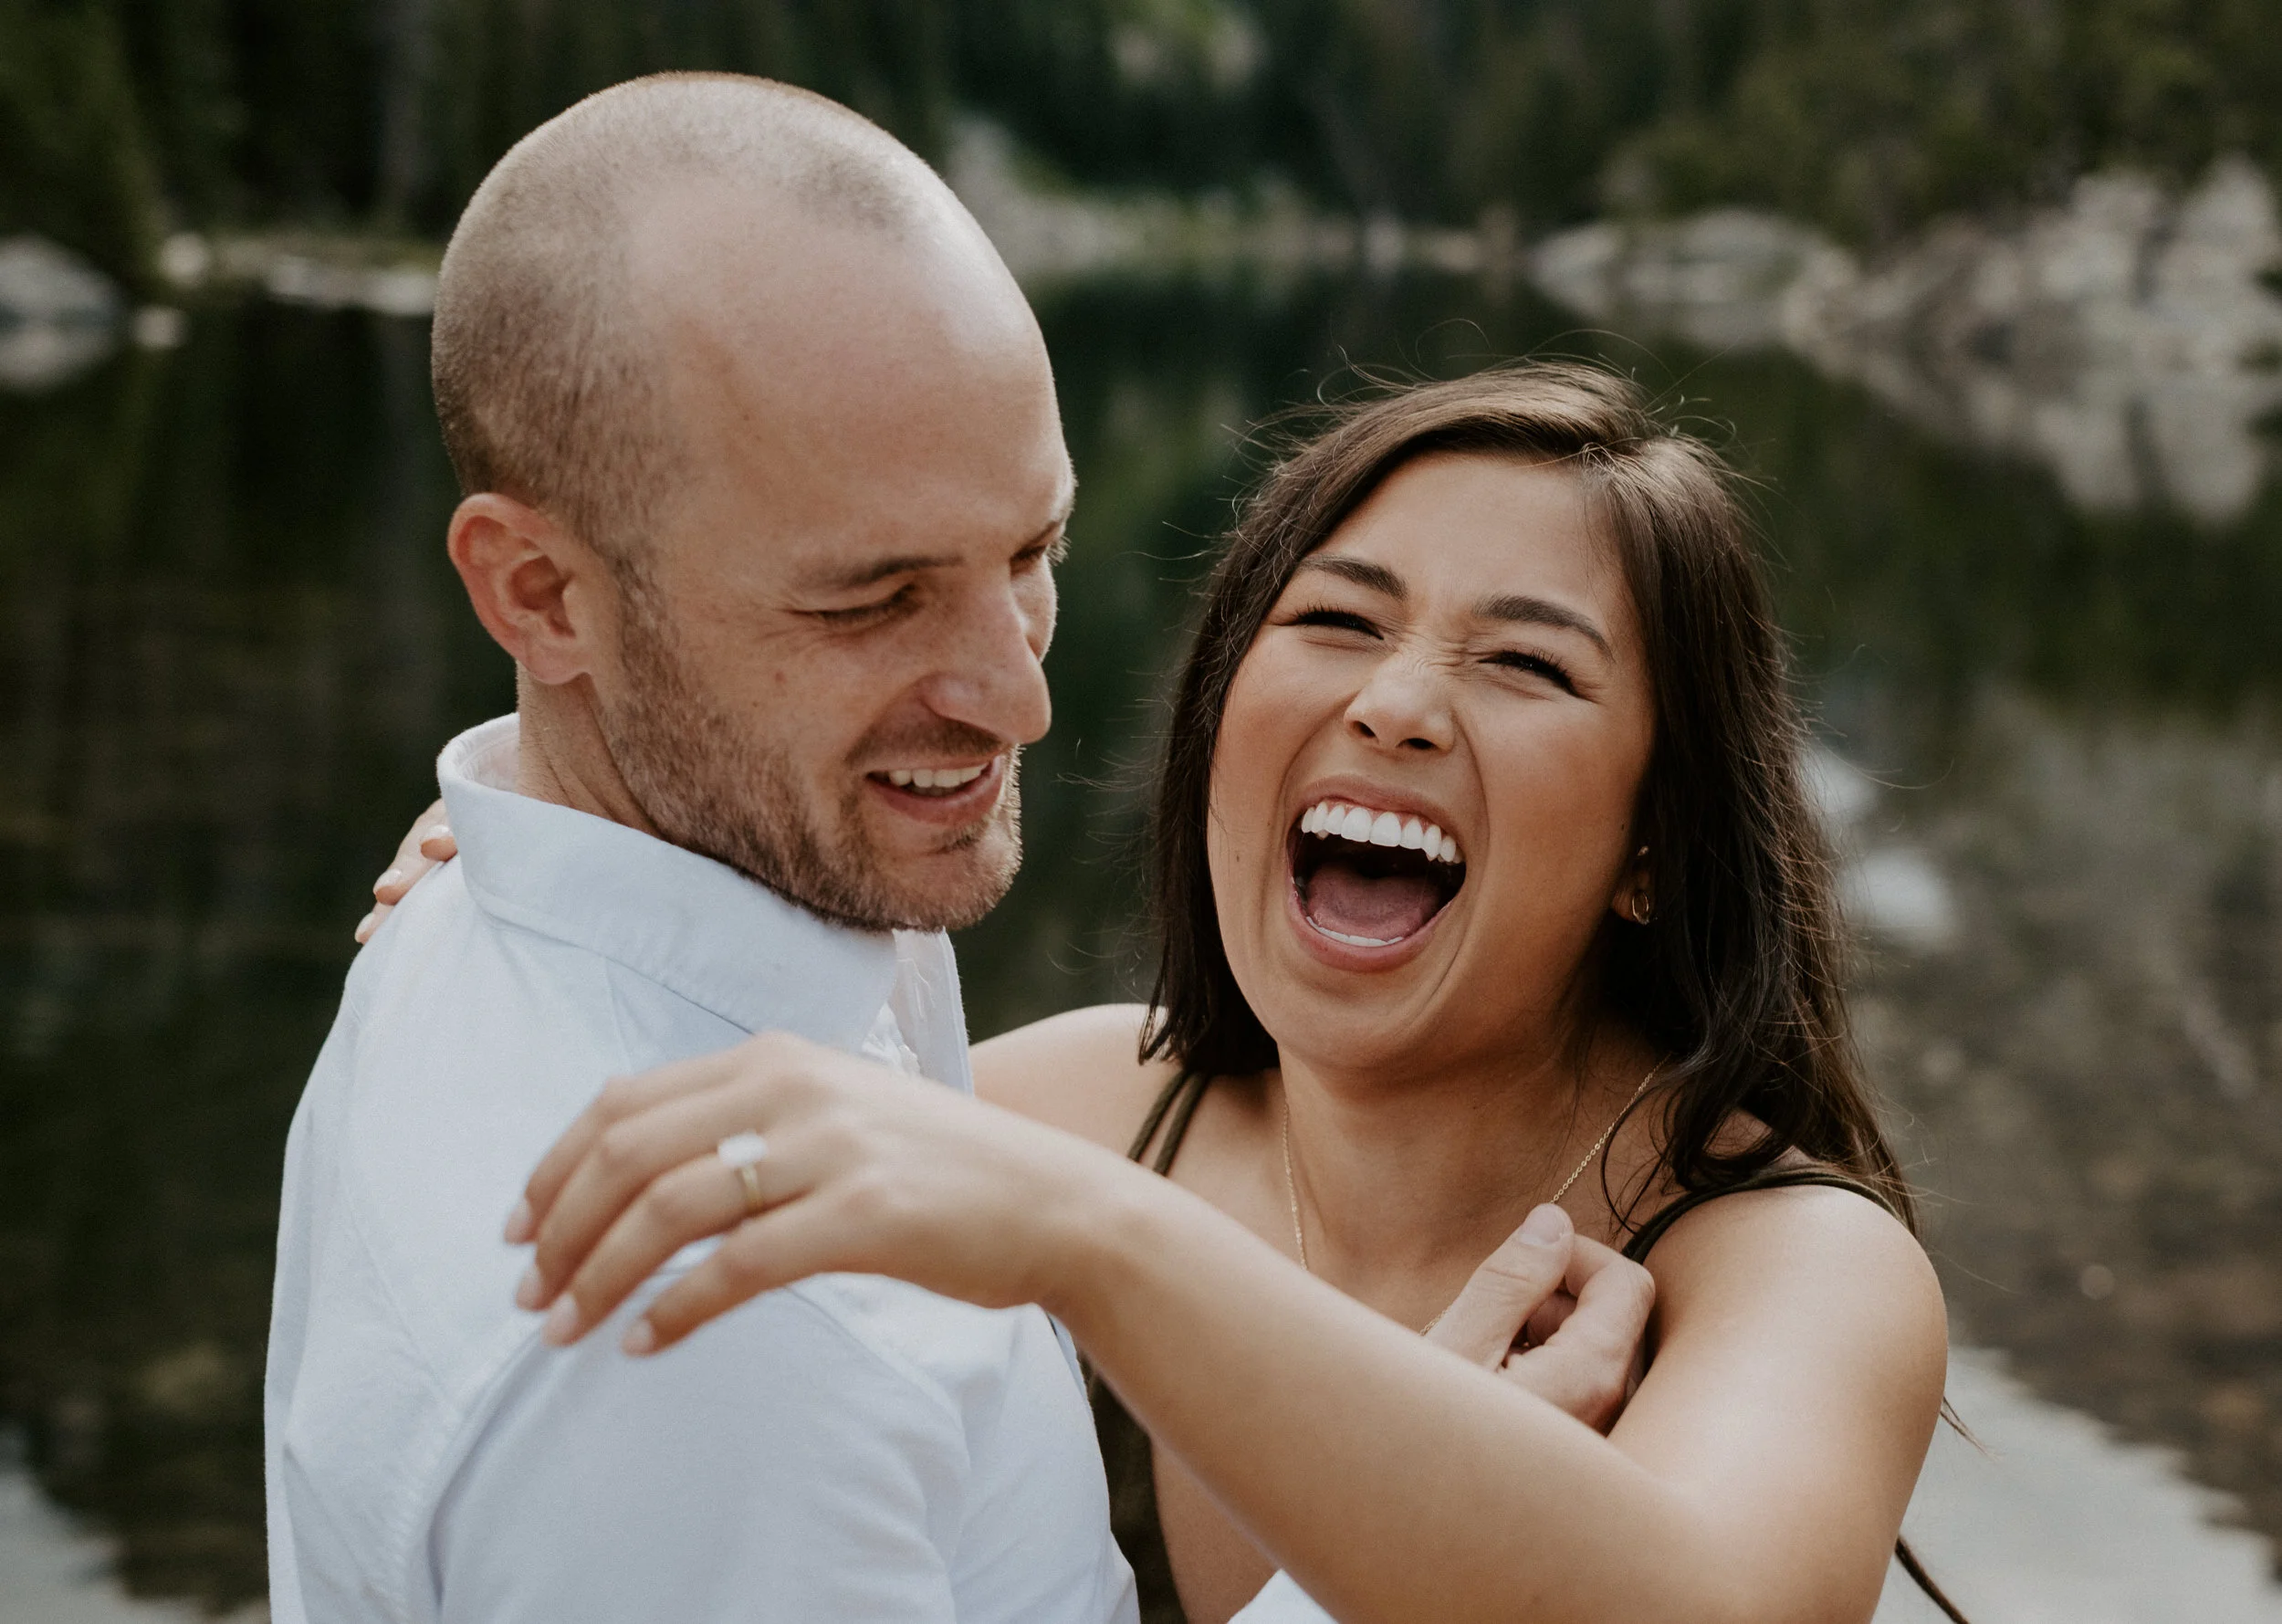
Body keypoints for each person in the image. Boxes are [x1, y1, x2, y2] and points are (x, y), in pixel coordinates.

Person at [276, 74, 1647, 1624]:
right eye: (874, 600)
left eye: (1032, 553)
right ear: (538, 597)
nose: (1022, 696)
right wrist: (1417, 1554)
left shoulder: (674, 893)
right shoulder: (725, 1347)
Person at [447, 364, 1963, 1624]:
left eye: (1526, 664)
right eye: (1338, 621)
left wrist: (1096, 1240)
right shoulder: (1093, 1097)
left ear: (1653, 845)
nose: (1394, 700)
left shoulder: (1788, 1260)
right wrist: (547, 822)